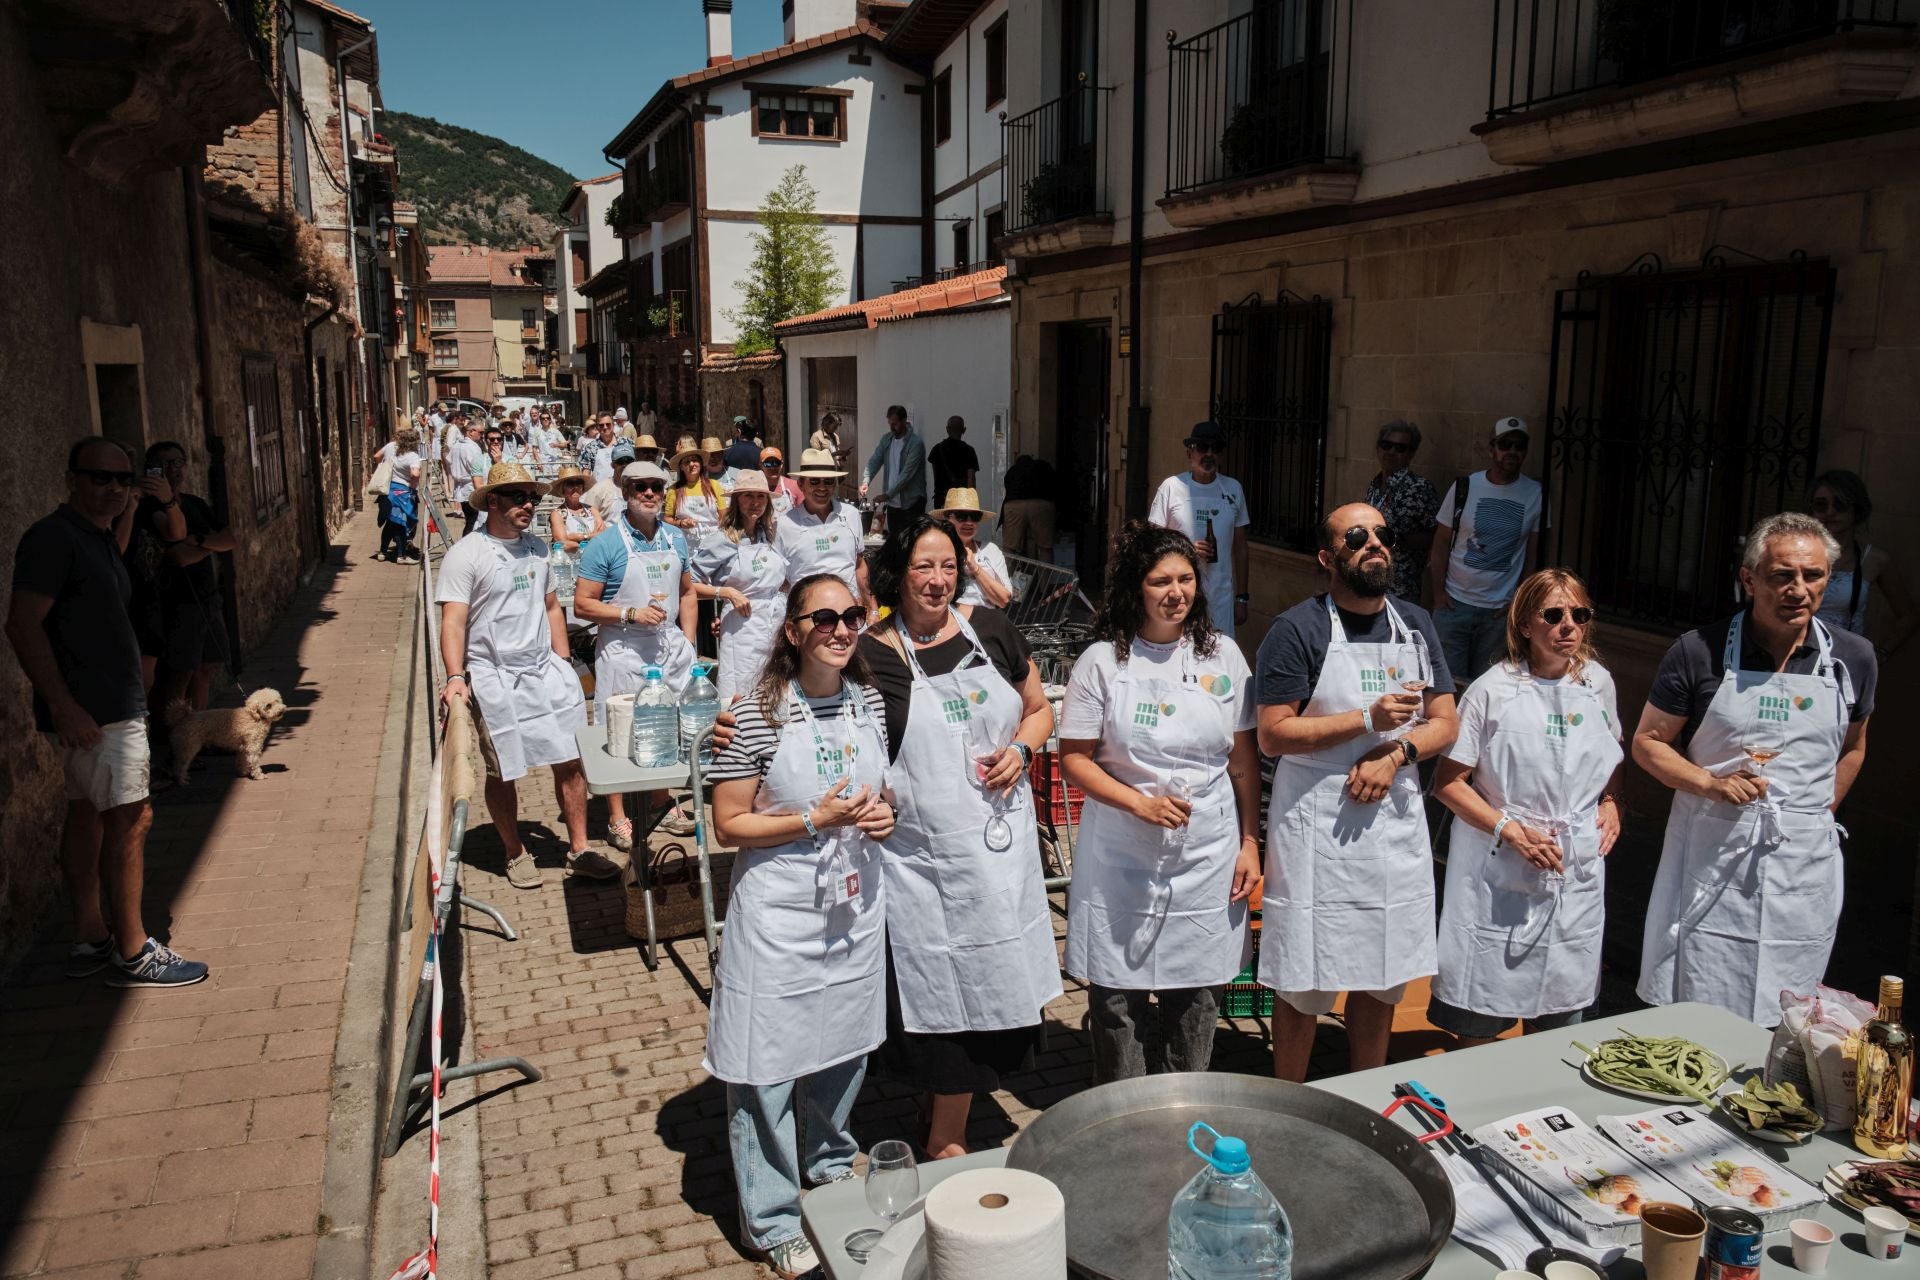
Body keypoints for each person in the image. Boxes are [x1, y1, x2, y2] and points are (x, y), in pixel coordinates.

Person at [705, 573, 895, 1280]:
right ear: (793, 631)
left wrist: (883, 815)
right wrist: (813, 818)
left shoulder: (867, 700)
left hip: (851, 905)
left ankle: (828, 1157)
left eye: (852, 615)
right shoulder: (755, 711)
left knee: (844, 1042)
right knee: (767, 1063)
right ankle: (773, 1217)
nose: (841, 629)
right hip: (780, 912)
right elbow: (729, 824)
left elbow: (886, 790)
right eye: (823, 619)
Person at [860, 517, 1061, 1159]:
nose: (940, 580)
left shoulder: (993, 631)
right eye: (925, 566)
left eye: (950, 565)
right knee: (938, 990)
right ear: (898, 572)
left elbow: (1039, 709)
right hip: (922, 862)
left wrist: (1023, 752)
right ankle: (945, 1137)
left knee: (993, 978)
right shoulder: (869, 654)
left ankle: (943, 1120)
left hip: (999, 855)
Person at [1633, 512, 1876, 1028]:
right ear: (1748, 580)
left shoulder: (1852, 658)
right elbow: (1648, 742)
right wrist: (1708, 783)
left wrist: (1817, 813)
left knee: (1789, 1014)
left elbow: (1853, 747)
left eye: (1813, 576)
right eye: (1781, 576)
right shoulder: (1698, 651)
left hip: (1801, 866)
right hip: (1710, 855)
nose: (1798, 590)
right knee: (1698, 1001)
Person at [1255, 501, 1459, 1080]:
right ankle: (1288, 1096)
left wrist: (1397, 753)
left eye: (1382, 535)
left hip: (1392, 823)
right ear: (1328, 557)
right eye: (1356, 536)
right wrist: (1365, 719)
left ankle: (1368, 1089)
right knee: (1304, 979)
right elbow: (1273, 734)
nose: (1375, 544)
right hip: (1317, 821)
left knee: (1383, 968)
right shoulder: (1297, 629)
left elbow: (1445, 722)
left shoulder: (1416, 623)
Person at [1060, 522, 1259, 1083]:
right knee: (1116, 993)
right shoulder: (1102, 661)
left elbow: (1243, 763)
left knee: (1195, 990)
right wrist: (1138, 804)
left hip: (1208, 849)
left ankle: (1182, 1099)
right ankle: (1121, 1105)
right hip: (1122, 851)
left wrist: (1250, 842)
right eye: (1160, 581)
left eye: (1186, 579)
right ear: (1135, 589)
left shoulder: (1224, 656)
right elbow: (1073, 757)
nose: (1177, 592)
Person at [5, 438, 209, 986]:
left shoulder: (94, 537)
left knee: (89, 813)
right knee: (132, 817)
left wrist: (138, 508)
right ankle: (133, 949)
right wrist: (64, 705)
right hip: (96, 708)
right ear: (71, 478)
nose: (114, 487)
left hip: (106, 703)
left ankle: (90, 934)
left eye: (123, 478)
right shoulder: (52, 539)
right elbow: (23, 624)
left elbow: (113, 573)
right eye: (100, 478)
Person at [1429, 569, 1624, 1045]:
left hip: (1571, 864)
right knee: (1484, 1002)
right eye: (1553, 615)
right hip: (1500, 863)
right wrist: (1509, 829)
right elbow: (1448, 783)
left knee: (1560, 1006)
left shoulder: (1598, 684)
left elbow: (1613, 754)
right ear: (1523, 624)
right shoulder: (1492, 690)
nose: (1568, 627)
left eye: (1579, 616)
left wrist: (1613, 802)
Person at [436, 463, 616, 889]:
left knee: (570, 762)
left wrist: (565, 664)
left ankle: (579, 848)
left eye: (530, 497)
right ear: (492, 502)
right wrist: (455, 675)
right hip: (493, 674)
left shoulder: (537, 549)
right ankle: (515, 850)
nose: (527, 505)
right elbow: (454, 622)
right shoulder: (468, 554)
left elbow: (552, 606)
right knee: (505, 768)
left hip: (544, 670)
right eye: (517, 497)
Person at [574, 460, 699, 853]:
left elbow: (688, 592)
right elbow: (582, 605)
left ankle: (663, 803)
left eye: (656, 488)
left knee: (668, 724)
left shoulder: (676, 538)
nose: (649, 494)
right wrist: (630, 613)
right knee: (620, 730)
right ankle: (617, 815)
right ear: (626, 493)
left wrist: (689, 641)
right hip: (624, 649)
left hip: (668, 645)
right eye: (640, 487)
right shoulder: (605, 544)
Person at [1428, 416, 1545, 683]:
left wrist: (1518, 601)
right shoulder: (1465, 488)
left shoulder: (1535, 494)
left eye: (1519, 446)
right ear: (1492, 449)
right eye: (1505, 445)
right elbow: (1441, 543)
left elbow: (1533, 555)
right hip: (1454, 606)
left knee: (1489, 688)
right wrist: (1437, 594)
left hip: (1499, 614)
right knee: (1446, 686)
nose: (1512, 452)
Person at [143, 442, 238, 713]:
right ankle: (178, 739)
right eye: (167, 464)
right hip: (179, 602)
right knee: (180, 674)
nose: (175, 470)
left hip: (208, 597)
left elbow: (230, 538)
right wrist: (210, 544)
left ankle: (200, 731)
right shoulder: (149, 508)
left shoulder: (195, 504)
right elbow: (179, 557)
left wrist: (196, 540)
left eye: (179, 462)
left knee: (205, 668)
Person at [693, 469, 788, 706]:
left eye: (761, 497)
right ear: (736, 500)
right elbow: (687, 584)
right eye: (748, 496)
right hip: (742, 629)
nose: (755, 503)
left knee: (775, 691)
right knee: (743, 695)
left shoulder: (769, 535)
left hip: (775, 624)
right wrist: (725, 592)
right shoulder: (722, 539)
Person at [1149, 421, 1249, 640]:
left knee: (1217, 662)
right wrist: (1185, 550)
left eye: (1216, 449)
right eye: (1203, 447)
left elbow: (1240, 547)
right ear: (1190, 452)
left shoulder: (1233, 489)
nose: (1209, 454)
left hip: (1219, 596)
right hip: (1178, 596)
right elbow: (1151, 542)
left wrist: (1242, 598)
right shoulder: (1171, 488)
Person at [1809, 469, 1911, 653]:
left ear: (1857, 509)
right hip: (1791, 661)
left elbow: (1909, 616)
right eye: (1821, 505)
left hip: (1840, 664)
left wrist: (1879, 655)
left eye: (1840, 505)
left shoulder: (1874, 560)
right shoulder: (1795, 552)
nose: (1830, 512)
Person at [776, 449, 869, 603]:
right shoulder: (785, 524)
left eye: (828, 481)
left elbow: (859, 565)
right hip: (807, 614)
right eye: (814, 481)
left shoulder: (851, 515)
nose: (822, 487)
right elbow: (780, 579)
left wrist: (872, 607)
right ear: (800, 484)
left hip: (848, 613)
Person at [1364, 420, 1440, 603]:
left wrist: (1398, 540)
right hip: (1368, 582)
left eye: (1400, 448)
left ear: (1411, 454)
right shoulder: (1374, 485)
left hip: (1400, 588)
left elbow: (1436, 536)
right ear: (1378, 448)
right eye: (1386, 445)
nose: (1391, 452)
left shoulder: (1419, 488)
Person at [936, 488, 1011, 610]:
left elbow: (1004, 599)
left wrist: (975, 569)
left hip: (986, 621)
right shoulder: (935, 552)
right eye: (962, 516)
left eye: (975, 517)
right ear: (947, 517)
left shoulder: (991, 550)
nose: (969, 522)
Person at [861, 405, 928, 528]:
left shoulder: (915, 444)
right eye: (889, 424)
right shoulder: (886, 439)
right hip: (893, 502)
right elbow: (875, 461)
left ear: (904, 421)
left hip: (912, 501)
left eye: (895, 424)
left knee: (911, 540)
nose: (892, 428)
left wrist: (886, 495)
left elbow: (906, 475)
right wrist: (866, 481)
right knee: (894, 540)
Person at [667, 438, 728, 549]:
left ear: (700, 463)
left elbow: (723, 517)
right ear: (681, 467)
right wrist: (680, 523)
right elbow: (667, 519)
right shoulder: (673, 490)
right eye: (686, 462)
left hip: (714, 546)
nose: (692, 464)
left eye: (695, 460)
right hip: (686, 546)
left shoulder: (714, 486)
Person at [376, 425, 423, 564]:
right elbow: (415, 474)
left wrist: (383, 468)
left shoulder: (391, 447)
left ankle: (382, 552)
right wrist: (412, 484)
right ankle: (401, 556)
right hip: (403, 492)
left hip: (387, 490)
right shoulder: (413, 456)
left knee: (390, 523)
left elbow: (377, 456)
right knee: (400, 524)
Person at [1000, 453, 1058, 564]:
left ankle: (1005, 579)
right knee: (1045, 548)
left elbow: (1007, 487)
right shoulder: (1043, 467)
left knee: (1009, 548)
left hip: (1014, 505)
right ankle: (1045, 581)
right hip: (1041, 504)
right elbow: (1054, 486)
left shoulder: (1013, 470)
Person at [546, 465, 605, 561]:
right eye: (570, 484)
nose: (576, 487)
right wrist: (591, 537)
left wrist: (576, 537)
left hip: (595, 561)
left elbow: (603, 535)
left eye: (579, 483)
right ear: (563, 488)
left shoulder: (592, 510)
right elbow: (562, 543)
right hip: (569, 564)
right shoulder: (557, 514)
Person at [451, 418, 488, 536]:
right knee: (473, 522)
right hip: (470, 488)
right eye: (480, 432)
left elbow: (449, 461)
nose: (482, 435)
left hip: (462, 487)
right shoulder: (472, 448)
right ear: (471, 432)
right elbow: (477, 468)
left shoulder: (457, 445)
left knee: (470, 521)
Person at [928, 415, 978, 501]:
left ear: (947, 429)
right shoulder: (969, 451)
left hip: (942, 499)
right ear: (964, 430)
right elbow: (971, 480)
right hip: (961, 501)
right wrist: (971, 501)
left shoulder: (937, 449)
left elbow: (936, 477)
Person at [759, 447, 803, 518]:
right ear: (761, 465)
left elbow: (803, 514)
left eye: (776, 463)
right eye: (768, 463)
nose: (772, 467)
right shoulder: (756, 488)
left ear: (782, 464)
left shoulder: (795, 486)